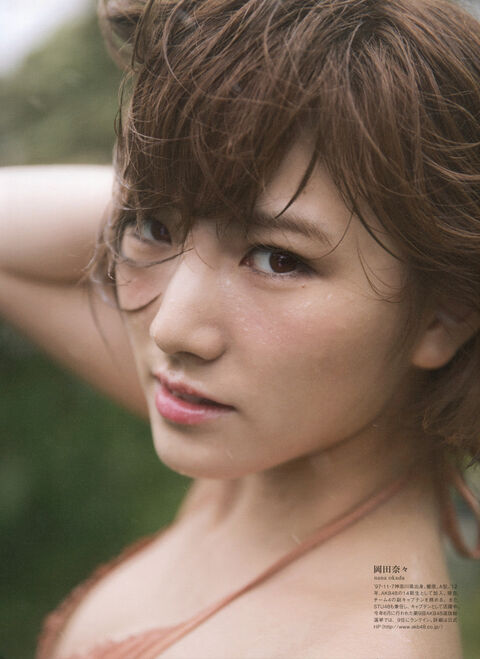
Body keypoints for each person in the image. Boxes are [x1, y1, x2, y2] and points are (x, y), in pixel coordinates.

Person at [1, 0, 480, 656]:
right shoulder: (264, 452)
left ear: (444, 313)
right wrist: (191, 176)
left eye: (278, 259)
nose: (171, 328)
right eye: (153, 227)